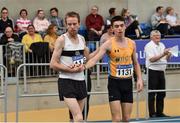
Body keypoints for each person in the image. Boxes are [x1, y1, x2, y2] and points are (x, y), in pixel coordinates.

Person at [83, 16, 143, 122]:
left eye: (121, 26)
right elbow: (95, 59)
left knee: (127, 118)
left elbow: (136, 63)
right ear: (112, 28)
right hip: (114, 83)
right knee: (116, 118)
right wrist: (83, 67)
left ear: (125, 27)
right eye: (116, 26)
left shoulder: (132, 43)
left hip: (128, 82)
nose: (119, 28)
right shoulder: (108, 43)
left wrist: (139, 79)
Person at [50, 11, 97, 122]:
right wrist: (69, 70)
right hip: (66, 81)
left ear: (79, 24)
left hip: (81, 81)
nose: (72, 27)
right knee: (79, 118)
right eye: (69, 24)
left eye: (74, 24)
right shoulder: (62, 40)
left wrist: (101, 50)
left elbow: (87, 58)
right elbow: (52, 64)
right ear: (66, 25)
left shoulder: (81, 39)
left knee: (74, 118)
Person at [144, 30, 171, 118]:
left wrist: (169, 55)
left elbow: (165, 59)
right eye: (155, 35)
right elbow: (152, 59)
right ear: (151, 37)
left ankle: (160, 112)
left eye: (159, 35)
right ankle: (152, 114)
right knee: (152, 93)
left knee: (162, 93)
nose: (157, 37)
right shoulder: (149, 46)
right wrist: (163, 53)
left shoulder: (162, 45)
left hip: (161, 71)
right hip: (152, 71)